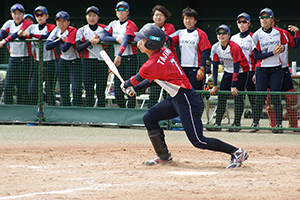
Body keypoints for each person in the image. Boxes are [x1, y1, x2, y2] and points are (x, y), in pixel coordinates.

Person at [121, 24, 248, 169]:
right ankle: (164, 156)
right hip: (177, 98)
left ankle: (237, 152)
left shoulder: (151, 63)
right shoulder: (163, 51)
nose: (139, 42)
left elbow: (136, 78)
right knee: (149, 117)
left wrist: (127, 85)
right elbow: (154, 79)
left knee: (198, 141)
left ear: (151, 43)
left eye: (142, 40)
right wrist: (135, 88)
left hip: (186, 99)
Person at [168, 7, 211, 116]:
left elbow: (205, 51)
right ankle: (185, 117)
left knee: (195, 95)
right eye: (186, 18)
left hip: (196, 69)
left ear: (195, 20)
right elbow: (167, 39)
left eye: (190, 18)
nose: (188, 21)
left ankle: (197, 118)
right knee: (182, 94)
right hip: (182, 69)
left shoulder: (200, 34)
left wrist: (202, 68)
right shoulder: (180, 33)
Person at [250, 8, 287, 133]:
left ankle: (279, 125)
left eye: (267, 17)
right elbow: (256, 56)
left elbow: (284, 46)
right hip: (262, 69)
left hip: (276, 68)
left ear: (272, 19)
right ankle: (255, 123)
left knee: (276, 96)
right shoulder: (256, 35)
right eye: (262, 17)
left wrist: (281, 48)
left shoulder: (279, 32)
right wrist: (272, 52)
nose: (264, 20)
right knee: (259, 97)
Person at [207, 24, 249, 132]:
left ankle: (236, 124)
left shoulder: (234, 47)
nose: (221, 36)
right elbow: (215, 67)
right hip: (228, 70)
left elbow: (236, 67)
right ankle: (218, 123)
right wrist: (215, 86)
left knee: (237, 96)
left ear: (229, 35)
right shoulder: (215, 47)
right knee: (222, 96)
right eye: (219, 34)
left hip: (241, 71)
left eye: (224, 33)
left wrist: (234, 85)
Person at [102, 1, 139, 108]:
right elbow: (104, 37)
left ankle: (130, 114)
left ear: (127, 12)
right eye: (118, 10)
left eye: (123, 10)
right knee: (118, 91)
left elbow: (126, 39)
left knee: (129, 87)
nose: (120, 12)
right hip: (118, 59)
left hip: (130, 58)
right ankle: (122, 112)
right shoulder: (113, 24)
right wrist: (116, 39)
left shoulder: (131, 24)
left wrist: (119, 55)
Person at [19, 6, 58, 106]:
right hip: (38, 62)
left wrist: (31, 34)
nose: (39, 17)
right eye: (37, 15)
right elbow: (22, 36)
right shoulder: (32, 27)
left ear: (47, 16)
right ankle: (35, 114)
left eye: (42, 15)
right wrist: (21, 33)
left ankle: (52, 115)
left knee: (49, 91)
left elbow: (47, 36)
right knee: (33, 89)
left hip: (50, 62)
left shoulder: (51, 26)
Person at [266, 21, 300, 132]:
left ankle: (294, 125)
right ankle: (275, 125)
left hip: (283, 68)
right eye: (263, 18)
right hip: (269, 69)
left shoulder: (284, 33)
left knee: (291, 97)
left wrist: (297, 33)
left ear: (273, 21)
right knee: (270, 97)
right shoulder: (260, 34)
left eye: (269, 18)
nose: (266, 21)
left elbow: (294, 44)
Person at [45, 11, 82, 106]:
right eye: (59, 21)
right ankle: (66, 109)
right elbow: (47, 46)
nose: (61, 23)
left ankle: (76, 109)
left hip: (74, 61)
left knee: (76, 88)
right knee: (63, 88)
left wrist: (58, 41)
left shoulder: (72, 30)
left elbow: (65, 48)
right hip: (62, 62)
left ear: (68, 22)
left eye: (64, 21)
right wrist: (61, 39)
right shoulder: (56, 30)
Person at [0, 3, 33, 105]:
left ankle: (22, 112)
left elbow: (16, 34)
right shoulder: (9, 23)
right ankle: (9, 112)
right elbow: (1, 33)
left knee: (22, 87)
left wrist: (5, 41)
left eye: (19, 13)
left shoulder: (28, 23)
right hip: (13, 58)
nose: (17, 16)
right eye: (15, 13)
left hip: (25, 59)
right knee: (8, 86)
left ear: (23, 14)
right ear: (11, 14)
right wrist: (4, 37)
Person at [76, 6, 107, 107]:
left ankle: (101, 115)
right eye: (89, 15)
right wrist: (90, 41)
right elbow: (78, 47)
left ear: (98, 17)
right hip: (87, 62)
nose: (91, 18)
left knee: (101, 91)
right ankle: (90, 117)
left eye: (94, 15)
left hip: (101, 62)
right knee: (89, 90)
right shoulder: (82, 30)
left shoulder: (104, 29)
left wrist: (100, 40)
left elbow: (110, 42)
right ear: (86, 17)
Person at [147, 5, 177, 108]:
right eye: (156, 15)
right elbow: (138, 38)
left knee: (168, 93)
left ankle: (168, 120)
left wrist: (149, 37)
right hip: (154, 66)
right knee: (154, 93)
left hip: (168, 65)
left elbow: (163, 38)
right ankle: (149, 116)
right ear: (152, 16)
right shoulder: (149, 26)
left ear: (165, 17)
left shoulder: (169, 27)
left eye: (161, 15)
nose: (158, 17)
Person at [231, 12, 256, 117]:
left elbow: (256, 56)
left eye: (244, 22)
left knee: (252, 97)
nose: (241, 24)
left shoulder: (253, 37)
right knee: (238, 97)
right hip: (238, 72)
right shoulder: (233, 38)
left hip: (250, 71)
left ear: (249, 23)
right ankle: (237, 122)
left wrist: (255, 73)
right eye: (239, 22)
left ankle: (255, 122)